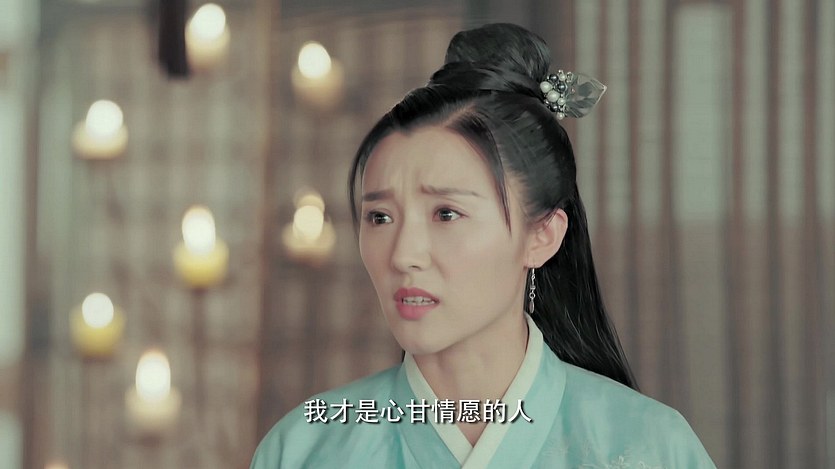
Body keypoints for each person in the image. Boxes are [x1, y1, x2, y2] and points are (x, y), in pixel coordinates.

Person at [251, 23, 716, 468]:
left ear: (542, 236)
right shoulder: (304, 448)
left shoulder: (648, 445)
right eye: (380, 217)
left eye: (446, 214)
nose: (403, 255)